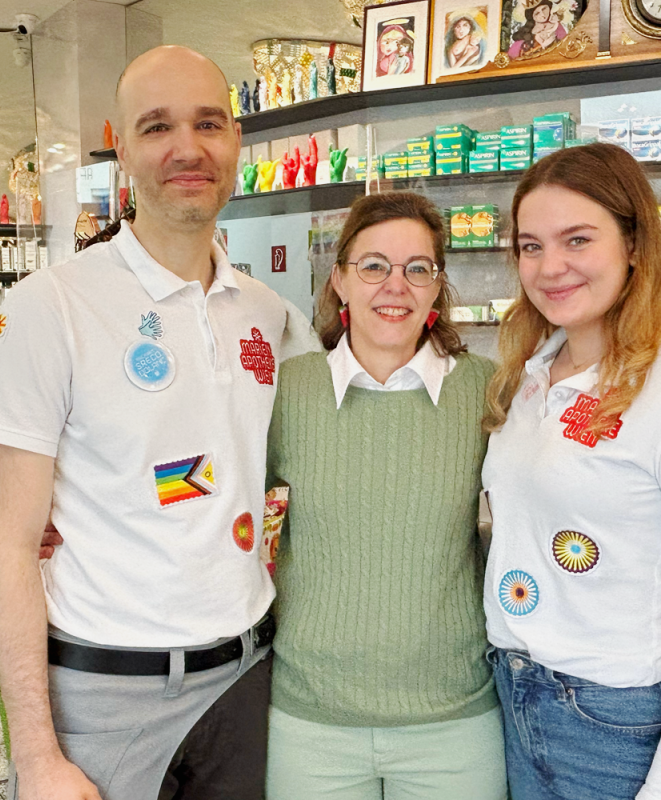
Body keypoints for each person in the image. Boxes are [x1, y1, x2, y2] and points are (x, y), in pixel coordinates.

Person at [0, 46, 298, 800]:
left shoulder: (270, 315)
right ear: (122, 149)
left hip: (245, 684)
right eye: (157, 127)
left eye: (208, 123)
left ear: (237, 140)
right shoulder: (49, 307)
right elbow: (8, 545)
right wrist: (38, 756)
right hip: (99, 700)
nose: (188, 148)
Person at [479, 143, 661, 800]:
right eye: (530, 246)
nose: (550, 267)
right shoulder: (528, 376)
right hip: (518, 696)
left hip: (621, 725)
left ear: (635, 243)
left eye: (577, 239)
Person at [264, 191, 507, 800]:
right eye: (374, 266)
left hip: (453, 721)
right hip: (310, 722)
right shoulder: (285, 392)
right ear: (340, 280)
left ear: (436, 287)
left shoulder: (487, 392)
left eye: (416, 269)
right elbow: (209, 495)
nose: (394, 286)